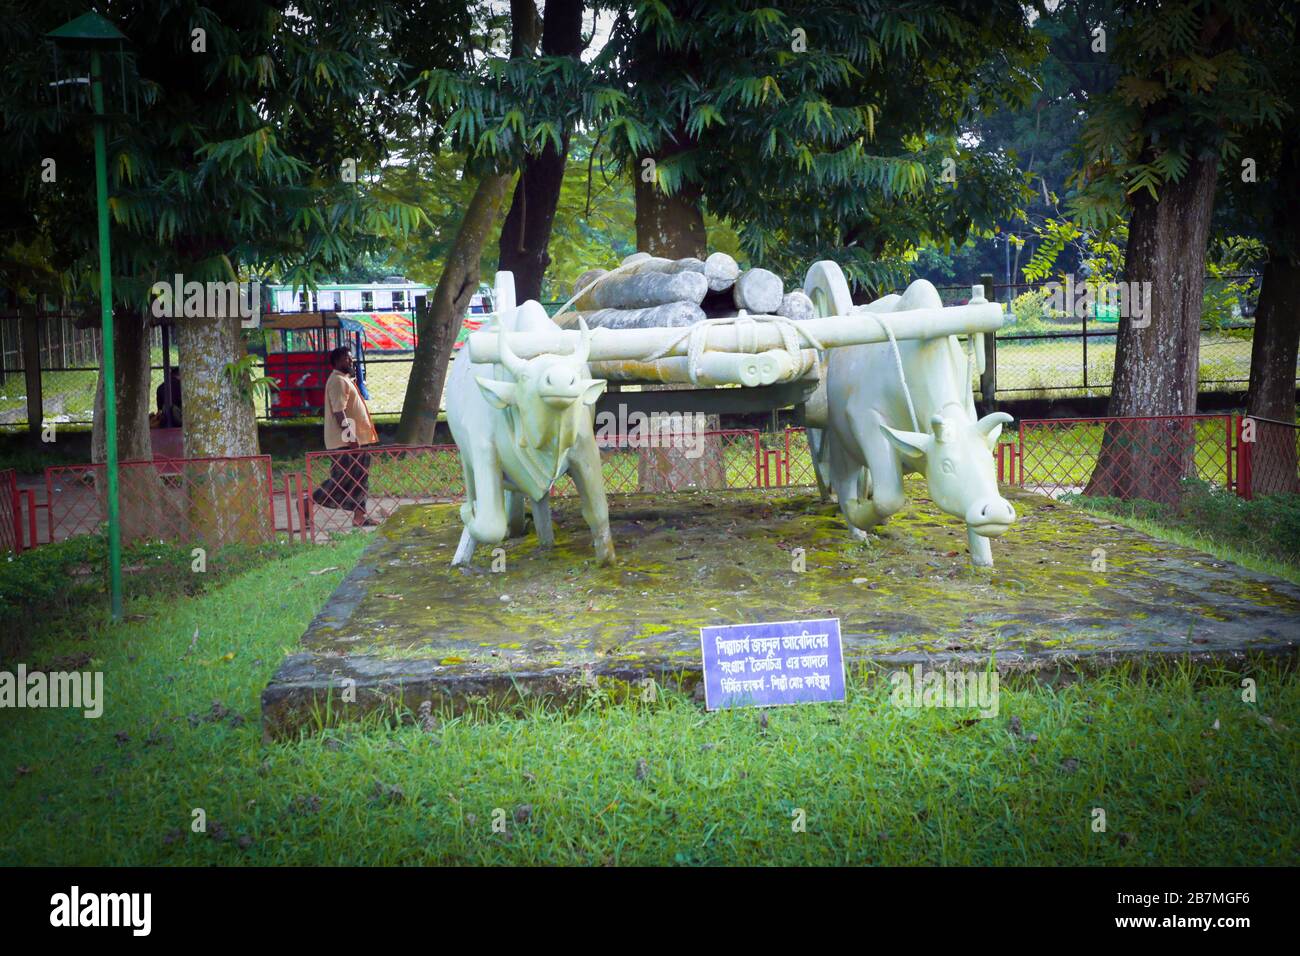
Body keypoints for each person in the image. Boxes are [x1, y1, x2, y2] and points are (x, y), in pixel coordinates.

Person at [313, 346, 379, 526]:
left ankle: (360, 517)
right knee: (340, 481)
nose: (351, 361)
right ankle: (306, 502)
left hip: (358, 440)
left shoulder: (345, 379)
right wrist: (350, 437)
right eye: (346, 359)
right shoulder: (337, 381)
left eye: (351, 358)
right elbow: (338, 412)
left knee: (360, 479)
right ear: (336, 362)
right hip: (346, 442)